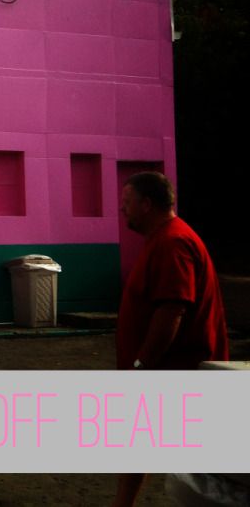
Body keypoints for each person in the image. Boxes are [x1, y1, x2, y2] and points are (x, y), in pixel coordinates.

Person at [112, 171, 229, 507]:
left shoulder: (173, 243)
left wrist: (141, 363)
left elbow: (172, 310)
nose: (123, 210)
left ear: (147, 205)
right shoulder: (163, 240)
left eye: (128, 203)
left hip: (172, 372)